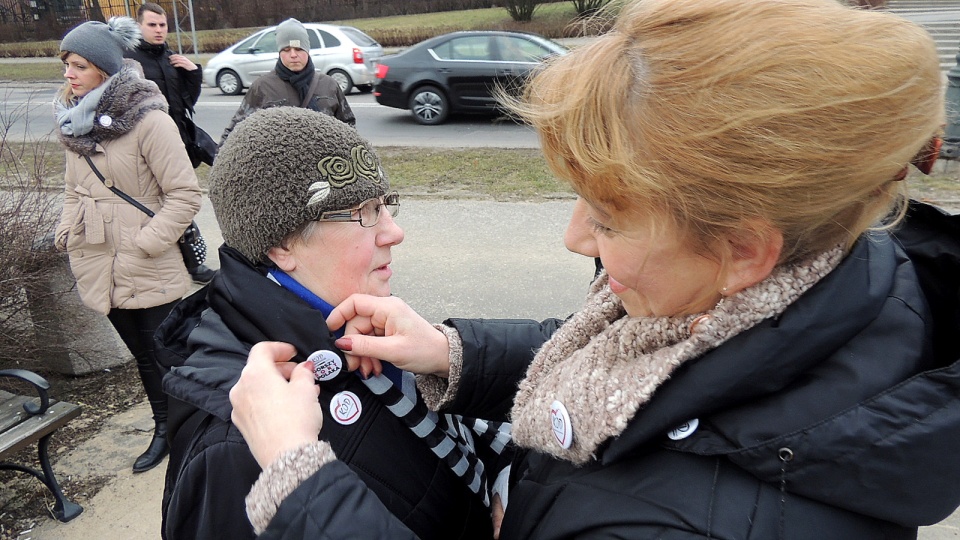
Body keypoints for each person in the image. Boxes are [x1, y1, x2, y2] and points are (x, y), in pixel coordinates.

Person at [228, 0, 960, 538]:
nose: (577, 238)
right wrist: (453, 352)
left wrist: (298, 479)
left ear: (743, 251)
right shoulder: (819, 272)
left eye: (608, 219)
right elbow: (637, 364)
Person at [155, 107, 509, 540]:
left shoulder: (362, 323)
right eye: (364, 212)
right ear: (283, 245)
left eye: (385, 205)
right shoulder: (238, 444)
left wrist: (507, 482)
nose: (394, 232)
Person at [53, 17, 202, 474]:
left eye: (79, 65)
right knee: (143, 357)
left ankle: (191, 433)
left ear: (104, 68)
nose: (69, 74)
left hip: (147, 261)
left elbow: (186, 194)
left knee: (168, 357)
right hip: (99, 258)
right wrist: (65, 229)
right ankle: (164, 428)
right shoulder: (75, 124)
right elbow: (73, 189)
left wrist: (146, 243)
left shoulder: (149, 121)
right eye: (65, 65)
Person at [125, 2, 216, 285]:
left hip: (178, 142)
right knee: (172, 203)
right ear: (139, 26)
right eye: (152, 25)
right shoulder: (128, 60)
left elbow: (185, 103)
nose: (159, 30)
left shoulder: (169, 57)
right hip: (147, 147)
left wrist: (192, 73)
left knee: (178, 200)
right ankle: (191, 264)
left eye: (163, 25)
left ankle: (190, 262)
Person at [219, 18, 355, 145]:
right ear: (279, 52)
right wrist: (220, 160)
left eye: (298, 49)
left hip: (324, 165)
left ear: (307, 50)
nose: (293, 55)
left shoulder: (329, 85)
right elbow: (236, 130)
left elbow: (348, 127)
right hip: (278, 166)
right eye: (286, 49)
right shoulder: (262, 87)